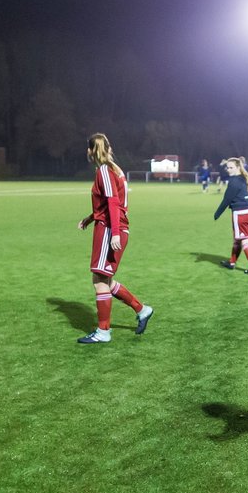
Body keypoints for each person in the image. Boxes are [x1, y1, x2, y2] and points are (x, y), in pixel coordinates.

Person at [76, 133, 154, 343]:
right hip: (110, 226)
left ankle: (103, 332)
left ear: (92, 150)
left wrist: (115, 233)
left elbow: (112, 203)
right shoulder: (114, 169)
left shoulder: (104, 170)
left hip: (110, 229)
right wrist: (90, 218)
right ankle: (142, 310)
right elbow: (108, 203)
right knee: (104, 280)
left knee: (99, 281)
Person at [215, 157, 248, 274]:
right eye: (227, 167)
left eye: (231, 167)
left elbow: (227, 199)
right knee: (237, 239)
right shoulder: (246, 178)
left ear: (238, 167)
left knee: (245, 241)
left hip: (241, 214)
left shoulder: (234, 181)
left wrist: (217, 213)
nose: (228, 170)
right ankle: (232, 262)